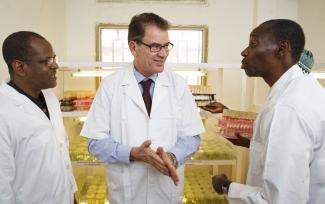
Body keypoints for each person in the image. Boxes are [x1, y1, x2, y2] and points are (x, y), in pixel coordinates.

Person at [81, 12, 204, 204]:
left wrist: (172, 156)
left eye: (166, 46)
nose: (163, 54)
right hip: (127, 193)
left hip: (166, 192)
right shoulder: (111, 85)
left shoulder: (178, 85)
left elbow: (192, 137)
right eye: (155, 47)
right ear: (133, 47)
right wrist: (132, 153)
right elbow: (95, 142)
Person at [212, 19, 325, 204]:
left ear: (282, 49)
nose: (244, 51)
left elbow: (280, 200)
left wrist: (227, 186)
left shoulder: (288, 107)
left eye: (253, 44)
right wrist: (256, 143)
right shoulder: (303, 90)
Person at [0, 31, 77, 203]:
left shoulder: (50, 99)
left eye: (54, 58)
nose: (55, 65)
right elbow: (2, 188)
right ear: (20, 67)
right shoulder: (4, 112)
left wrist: (72, 195)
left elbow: (61, 153)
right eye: (46, 61)